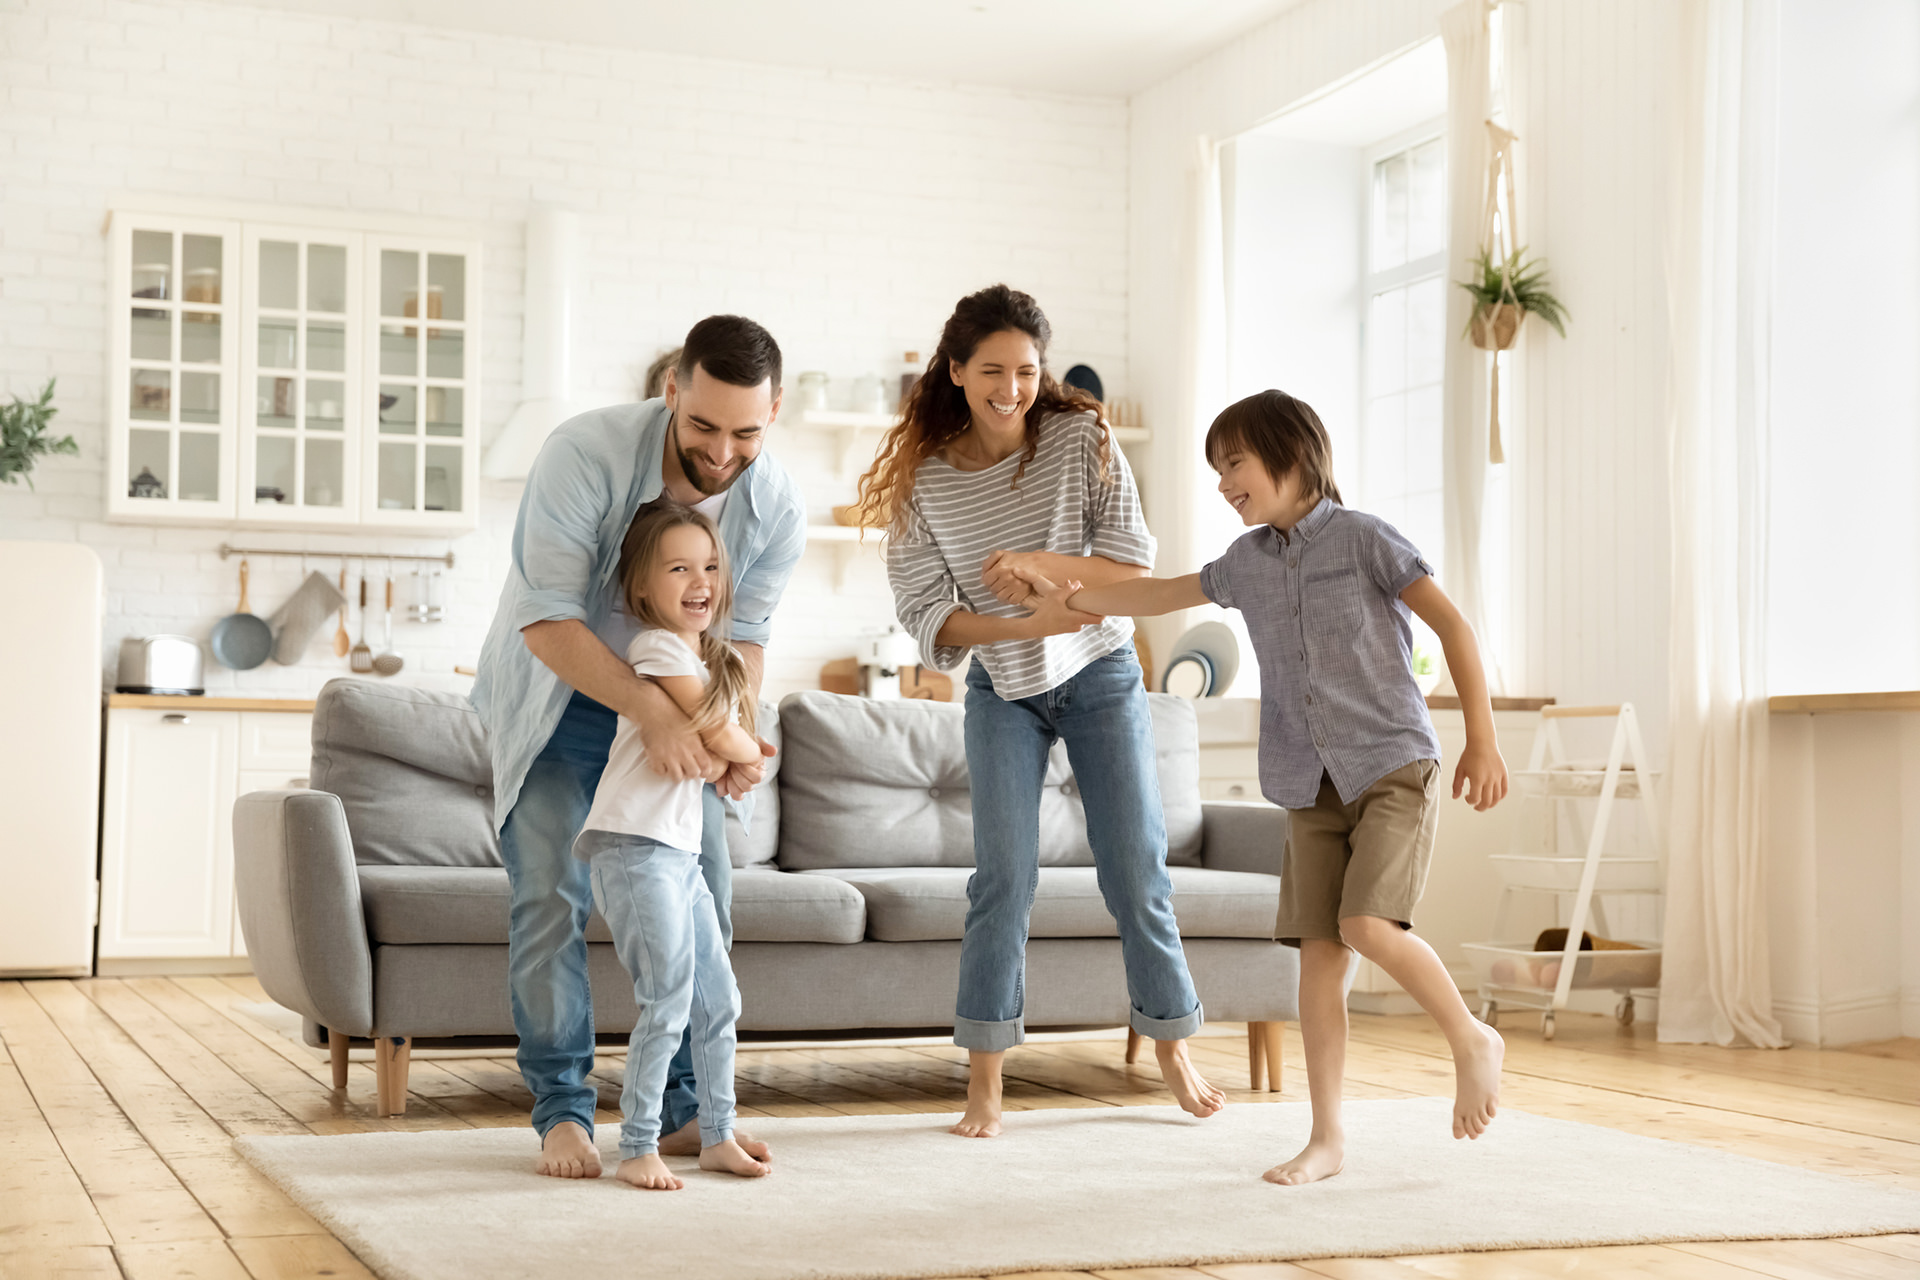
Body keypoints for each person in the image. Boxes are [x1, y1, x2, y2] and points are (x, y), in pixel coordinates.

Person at [1022, 388, 1509, 1185]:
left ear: (1292, 454)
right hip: (1307, 781)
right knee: (1319, 962)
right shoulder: (1247, 561)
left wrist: (1482, 741)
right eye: (1216, 470)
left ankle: (1469, 1036)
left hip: (1391, 764)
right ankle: (1327, 1139)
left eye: (1234, 464)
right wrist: (1071, 601)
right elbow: (1159, 593)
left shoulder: (1366, 540)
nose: (1223, 484)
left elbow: (1452, 626)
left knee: (1365, 925)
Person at [852, 283, 1224, 1139]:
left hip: (1100, 674)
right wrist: (1027, 619)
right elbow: (925, 614)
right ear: (956, 371)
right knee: (1002, 882)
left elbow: (1132, 561)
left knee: (1136, 870)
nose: (1011, 388)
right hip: (1003, 688)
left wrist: (1035, 566)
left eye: (1027, 370)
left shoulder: (1080, 437)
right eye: (992, 370)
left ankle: (1172, 1046)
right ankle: (985, 1082)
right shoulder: (924, 479)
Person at [472, 315, 806, 1179]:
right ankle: (563, 1113)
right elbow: (546, 617)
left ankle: (692, 1114)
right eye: (703, 426)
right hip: (563, 698)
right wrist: (654, 713)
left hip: (685, 708)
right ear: (670, 393)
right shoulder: (583, 454)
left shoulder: (774, 505)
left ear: (775, 413)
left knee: (708, 908)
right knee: (550, 899)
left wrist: (724, 729)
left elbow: (750, 640)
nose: (723, 451)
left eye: (747, 431)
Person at [578, 500, 772, 1190]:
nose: (700, 580)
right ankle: (637, 1145)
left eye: (711, 566)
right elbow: (723, 733)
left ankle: (717, 1133)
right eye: (680, 567)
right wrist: (743, 755)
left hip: (678, 854)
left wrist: (737, 754)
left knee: (718, 1001)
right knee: (669, 998)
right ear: (642, 588)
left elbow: (725, 741)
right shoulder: (656, 646)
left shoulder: (704, 656)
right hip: (633, 846)